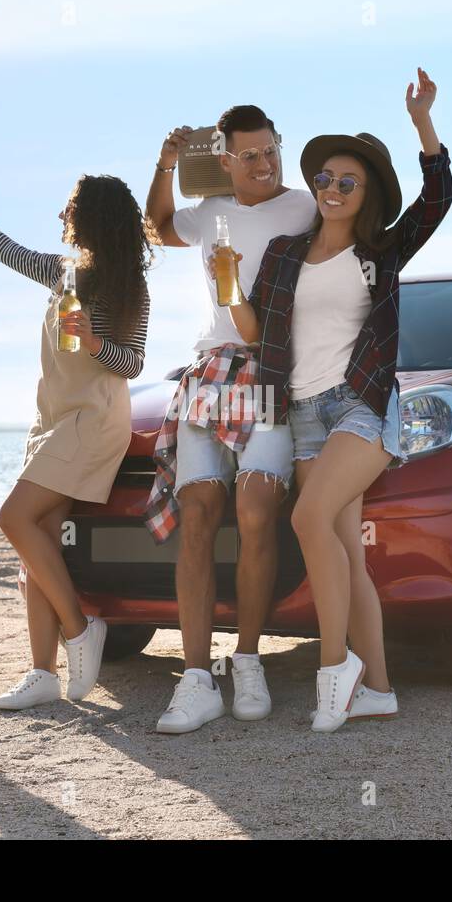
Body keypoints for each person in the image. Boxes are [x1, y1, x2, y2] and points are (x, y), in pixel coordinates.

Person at [228, 67, 452, 731]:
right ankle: (378, 687)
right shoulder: (284, 254)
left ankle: (335, 671)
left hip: (359, 406)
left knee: (308, 520)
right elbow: (255, 330)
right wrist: (225, 287)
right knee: (346, 552)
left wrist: (422, 122)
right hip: (301, 411)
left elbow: (437, 199)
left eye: (346, 182)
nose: (331, 189)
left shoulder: (381, 252)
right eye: (324, 178)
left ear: (367, 194)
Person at [0, 155, 153, 710]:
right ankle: (41, 673)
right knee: (39, 544)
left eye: (70, 209)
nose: (61, 216)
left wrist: (94, 340)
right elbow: (7, 250)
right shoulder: (65, 273)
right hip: (52, 420)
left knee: (14, 518)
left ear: (93, 219)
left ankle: (80, 627)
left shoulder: (129, 289)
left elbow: (133, 363)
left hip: (92, 421)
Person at [143, 106, 317, 733]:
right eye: (251, 155)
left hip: (268, 370)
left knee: (257, 506)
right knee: (198, 514)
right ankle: (196, 679)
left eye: (272, 149)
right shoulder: (209, 211)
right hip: (210, 370)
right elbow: (157, 227)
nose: (266, 164)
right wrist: (165, 164)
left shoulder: (305, 208)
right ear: (225, 159)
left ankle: (247, 660)